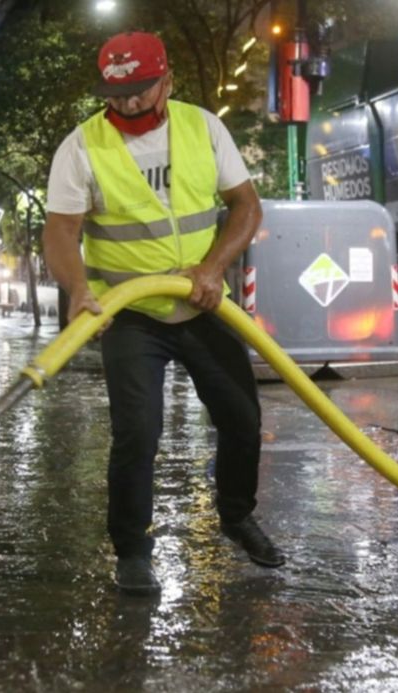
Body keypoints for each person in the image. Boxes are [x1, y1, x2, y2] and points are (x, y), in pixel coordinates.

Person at [42, 31, 279, 596]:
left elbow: (246, 205)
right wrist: (77, 288)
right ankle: (131, 550)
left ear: (167, 80)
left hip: (203, 303)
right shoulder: (82, 147)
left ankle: (236, 515)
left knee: (242, 419)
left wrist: (215, 265)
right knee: (137, 434)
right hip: (131, 315)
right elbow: (60, 230)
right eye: (117, 93)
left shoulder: (203, 127)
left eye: (141, 90)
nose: (127, 103)